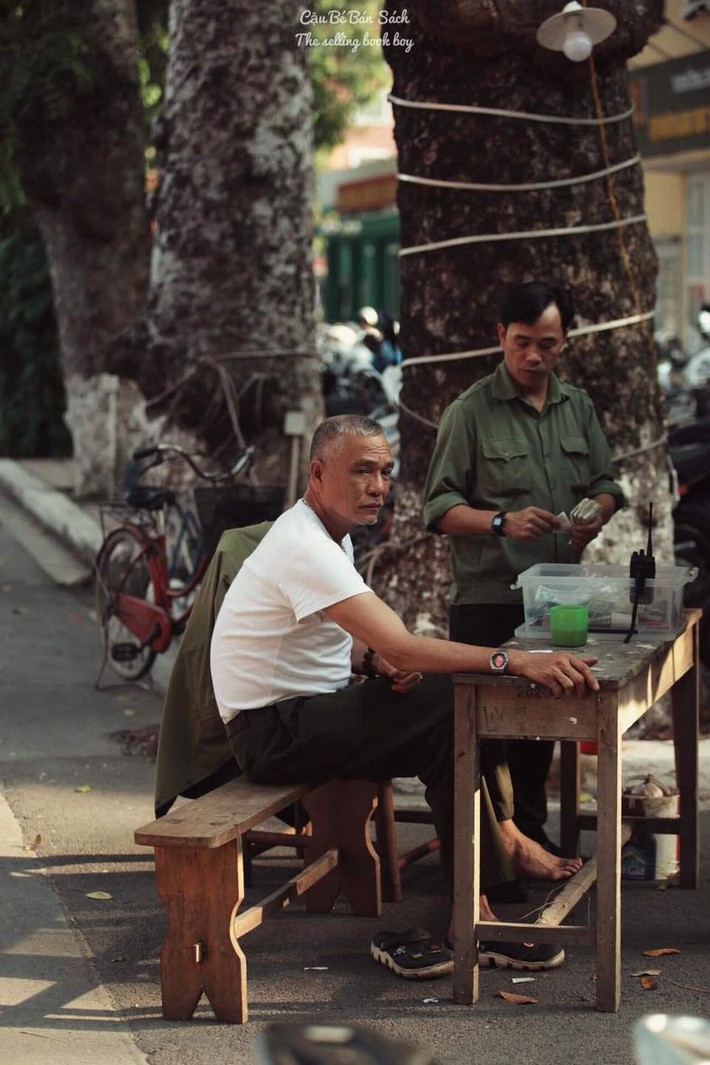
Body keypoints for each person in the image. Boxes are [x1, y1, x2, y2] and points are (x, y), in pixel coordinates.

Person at [211, 413, 598, 981]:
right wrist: (513, 660)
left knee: (449, 728)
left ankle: (475, 908)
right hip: (272, 733)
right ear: (317, 473)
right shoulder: (304, 546)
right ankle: (504, 846)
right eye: (362, 470)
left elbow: (340, 645)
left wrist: (374, 661)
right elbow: (404, 642)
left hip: (306, 713)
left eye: (386, 472)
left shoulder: (327, 535)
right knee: (458, 692)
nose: (378, 486)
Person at [423, 280, 624, 889]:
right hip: (490, 596)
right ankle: (488, 860)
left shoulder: (578, 408)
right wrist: (501, 520)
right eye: (522, 344)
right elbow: (439, 508)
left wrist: (595, 513)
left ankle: (530, 839)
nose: (534, 357)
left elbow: (607, 482)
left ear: (565, 343)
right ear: (500, 338)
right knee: (486, 736)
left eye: (547, 345)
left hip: (561, 593)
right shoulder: (470, 412)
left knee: (545, 725)